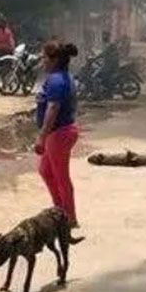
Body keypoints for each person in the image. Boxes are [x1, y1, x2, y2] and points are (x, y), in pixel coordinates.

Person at [34, 42, 81, 227]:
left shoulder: (57, 81)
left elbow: (53, 108)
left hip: (59, 133)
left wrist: (42, 136)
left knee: (61, 176)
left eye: (45, 57)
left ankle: (69, 218)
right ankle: (59, 209)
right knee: (45, 171)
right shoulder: (62, 77)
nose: (42, 61)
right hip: (60, 132)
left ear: (54, 60)